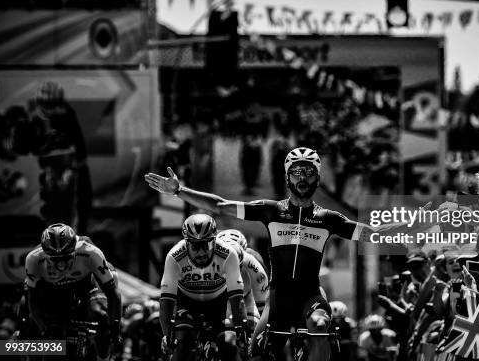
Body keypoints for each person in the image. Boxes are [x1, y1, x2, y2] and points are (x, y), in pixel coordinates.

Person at [145, 147, 385, 361]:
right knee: (254, 354)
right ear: (287, 177)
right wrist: (179, 190)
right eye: (297, 172)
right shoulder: (271, 211)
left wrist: (412, 230)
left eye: (309, 172)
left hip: (310, 297)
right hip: (278, 299)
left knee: (319, 324)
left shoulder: (328, 219)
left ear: (317, 179)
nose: (303, 178)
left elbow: (372, 233)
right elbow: (219, 205)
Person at [24, 223, 121, 361]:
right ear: (45, 255)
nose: (62, 265)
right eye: (56, 260)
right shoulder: (33, 258)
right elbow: (32, 299)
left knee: (101, 315)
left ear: (75, 250)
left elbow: (113, 294)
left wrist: (115, 328)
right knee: (27, 319)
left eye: (66, 258)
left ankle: (103, 358)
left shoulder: (91, 252)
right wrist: (43, 329)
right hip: (51, 289)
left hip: (86, 283)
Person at [159, 214, 247, 361]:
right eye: (195, 246)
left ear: (214, 241)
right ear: (186, 243)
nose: (201, 252)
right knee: (182, 344)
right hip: (187, 304)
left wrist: (241, 332)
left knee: (230, 346)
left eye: (206, 245)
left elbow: (237, 299)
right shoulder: (174, 257)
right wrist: (167, 335)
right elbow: (166, 302)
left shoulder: (228, 254)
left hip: (219, 305)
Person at [217, 229, 269, 333]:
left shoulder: (252, 258)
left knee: (254, 328)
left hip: (247, 297)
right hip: (222, 299)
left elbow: (263, 292)